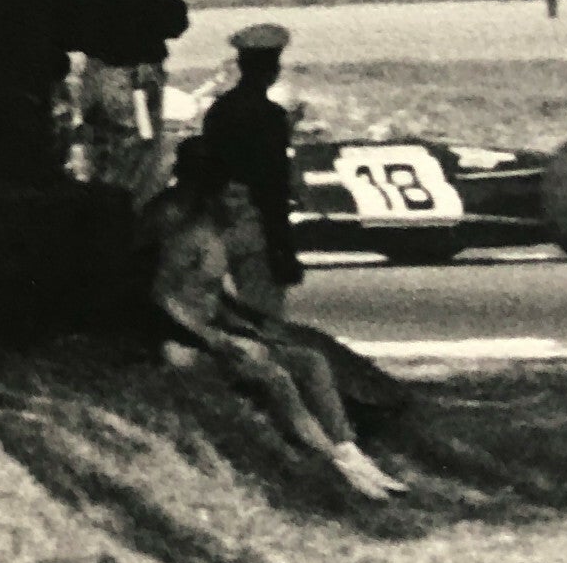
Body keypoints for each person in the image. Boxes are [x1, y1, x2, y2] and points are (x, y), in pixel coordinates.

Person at [141, 138, 407, 501]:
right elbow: (161, 294)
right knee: (276, 377)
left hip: (214, 332)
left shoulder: (214, 236)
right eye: (233, 198)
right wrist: (214, 338)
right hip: (183, 341)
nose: (243, 207)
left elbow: (212, 296)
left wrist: (247, 326)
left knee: (310, 361)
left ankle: (349, 450)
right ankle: (337, 463)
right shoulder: (185, 233)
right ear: (211, 194)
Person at [56, 0, 190, 207]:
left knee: (101, 149)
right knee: (137, 151)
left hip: (98, 72)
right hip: (132, 76)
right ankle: (126, 213)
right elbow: (170, 19)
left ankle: (104, 208)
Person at [201, 22, 302, 314]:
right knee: (263, 314)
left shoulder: (218, 111)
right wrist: (282, 247)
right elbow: (273, 183)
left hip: (218, 220)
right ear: (273, 69)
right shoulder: (271, 117)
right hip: (255, 222)